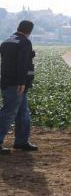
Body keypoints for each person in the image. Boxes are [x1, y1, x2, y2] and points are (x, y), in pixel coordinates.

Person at [0, 20, 37, 154]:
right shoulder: (24, 42)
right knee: (8, 113)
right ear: (30, 31)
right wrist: (22, 82)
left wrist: (30, 55)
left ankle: (21, 141)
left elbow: (10, 60)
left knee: (23, 113)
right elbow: (21, 63)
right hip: (17, 85)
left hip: (6, 82)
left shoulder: (6, 41)